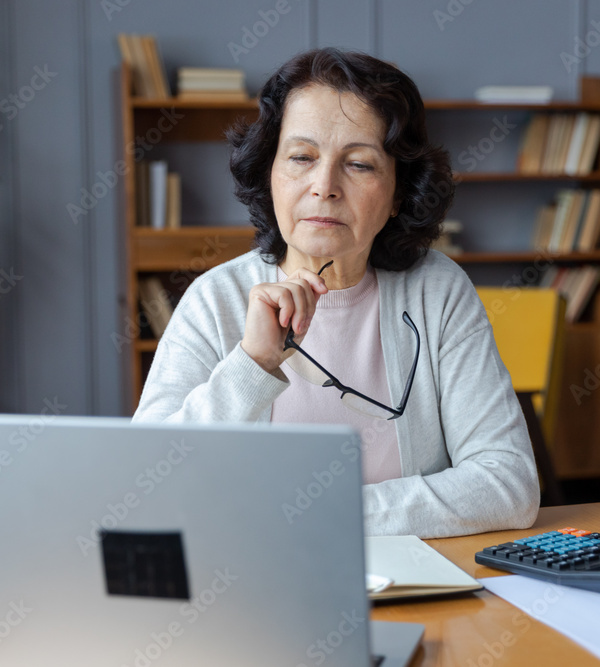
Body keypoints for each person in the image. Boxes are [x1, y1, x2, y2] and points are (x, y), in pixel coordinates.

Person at [132, 47, 539, 538]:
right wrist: (252, 364)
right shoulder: (215, 299)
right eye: (301, 157)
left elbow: (508, 485)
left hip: (417, 573)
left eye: (360, 164)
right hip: (254, 573)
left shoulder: (438, 291)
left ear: (398, 192)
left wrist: (324, 513)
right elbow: (148, 485)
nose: (324, 186)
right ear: (269, 173)